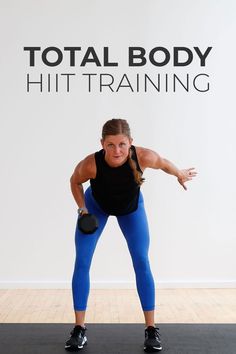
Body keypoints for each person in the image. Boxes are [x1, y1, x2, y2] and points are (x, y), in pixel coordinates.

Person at [65, 118, 197, 352]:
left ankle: (151, 330)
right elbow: (75, 182)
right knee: (82, 261)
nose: (117, 151)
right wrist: (82, 209)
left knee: (142, 262)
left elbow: (164, 163)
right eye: (111, 145)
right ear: (102, 144)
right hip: (96, 208)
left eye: (122, 144)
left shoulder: (143, 156)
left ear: (130, 143)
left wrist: (179, 173)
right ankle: (79, 329)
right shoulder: (91, 164)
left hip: (131, 210)